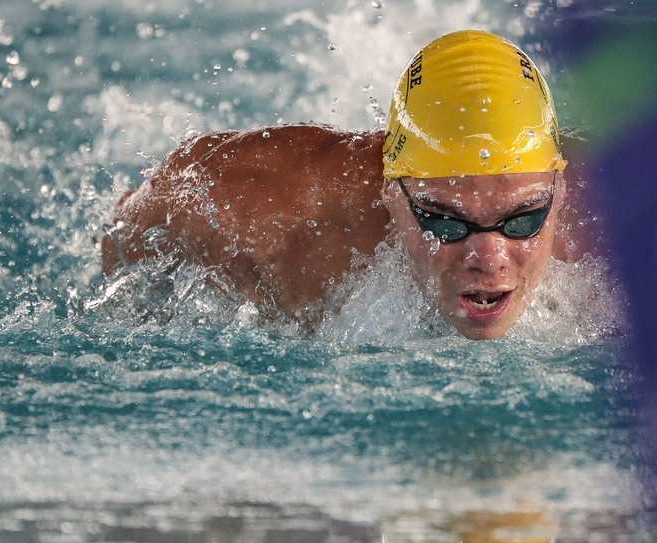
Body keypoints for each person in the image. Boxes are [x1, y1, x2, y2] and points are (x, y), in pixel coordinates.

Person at [101, 30, 590, 340]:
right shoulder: (278, 209)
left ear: (560, 191)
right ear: (389, 190)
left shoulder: (627, 214)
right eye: (444, 220)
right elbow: (132, 229)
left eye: (522, 218)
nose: (488, 257)